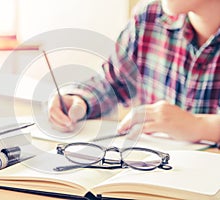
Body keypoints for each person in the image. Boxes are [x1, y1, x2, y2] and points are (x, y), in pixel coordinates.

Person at [48, 0, 220, 143]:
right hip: (152, 172)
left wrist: (199, 126)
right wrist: (79, 100)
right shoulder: (149, 18)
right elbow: (113, 83)